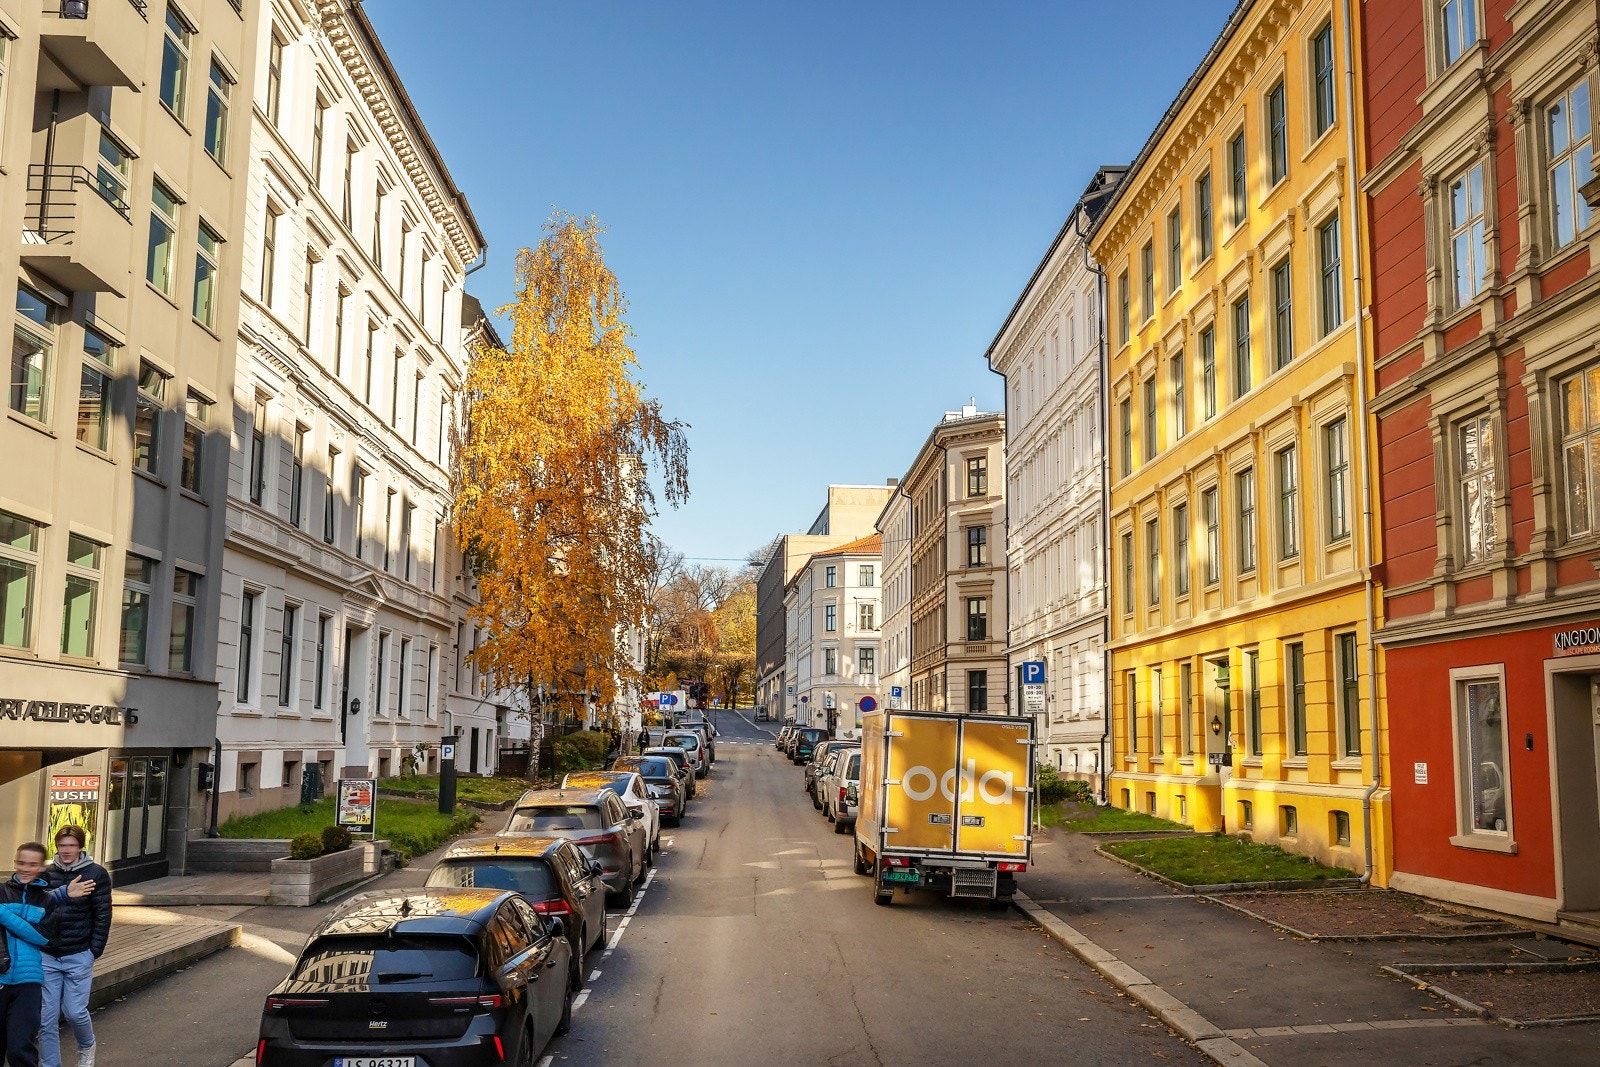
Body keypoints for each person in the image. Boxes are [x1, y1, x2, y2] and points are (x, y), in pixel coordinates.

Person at [0, 844, 95, 1067]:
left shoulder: (46, 901)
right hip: (0, 978)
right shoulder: (1, 891)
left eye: (32, 864)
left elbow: (41, 936)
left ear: (41, 867)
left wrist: (2, 914)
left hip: (29, 982)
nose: (25, 868)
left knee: (19, 1049)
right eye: (21, 863)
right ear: (14, 863)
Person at [39, 827, 110, 1067]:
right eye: (62, 845)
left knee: (74, 1012)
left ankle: (87, 1046)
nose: (66, 850)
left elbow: (103, 915)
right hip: (47, 955)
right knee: (45, 1019)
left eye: (71, 845)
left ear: (80, 847)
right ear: (56, 847)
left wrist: (94, 951)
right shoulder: (46, 874)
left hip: (79, 954)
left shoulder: (96, 874)